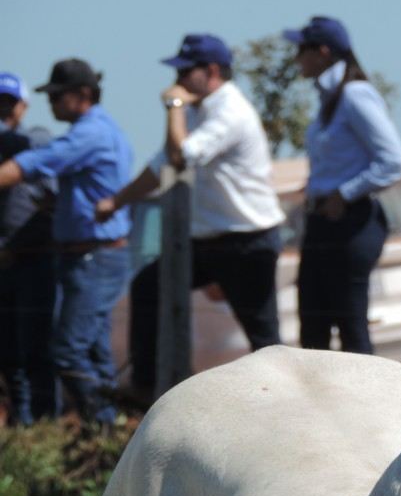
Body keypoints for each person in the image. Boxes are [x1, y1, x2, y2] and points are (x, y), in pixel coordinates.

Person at [96, 34, 285, 397]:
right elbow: (161, 164)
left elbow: (181, 156)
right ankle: (149, 384)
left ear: (211, 71)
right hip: (207, 241)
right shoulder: (199, 110)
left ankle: (285, 404)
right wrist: (116, 202)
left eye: (185, 71)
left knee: (263, 336)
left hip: (248, 239)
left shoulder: (231, 110)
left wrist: (173, 107)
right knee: (149, 286)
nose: (177, 80)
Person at [0, 59, 131, 425]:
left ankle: (104, 423)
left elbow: (41, 160)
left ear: (83, 95)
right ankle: (106, 430)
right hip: (91, 256)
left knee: (68, 351)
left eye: (57, 95)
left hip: (94, 258)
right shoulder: (98, 130)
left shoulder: (89, 134)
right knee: (92, 350)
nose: (52, 103)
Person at [284, 16, 401, 353]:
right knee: (313, 328)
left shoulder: (355, 94)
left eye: (302, 50)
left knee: (350, 324)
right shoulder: (329, 98)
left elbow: (393, 159)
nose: (297, 58)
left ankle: (365, 403)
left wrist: (345, 192)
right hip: (323, 223)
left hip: (350, 223)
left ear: (322, 52)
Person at [0, 73, 58, 424]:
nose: (4, 108)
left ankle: (42, 424)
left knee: (36, 348)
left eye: (10, 102)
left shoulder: (37, 142)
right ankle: (22, 427)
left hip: (33, 262)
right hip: (3, 266)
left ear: (23, 106)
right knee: (7, 354)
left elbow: (53, 198)